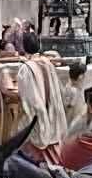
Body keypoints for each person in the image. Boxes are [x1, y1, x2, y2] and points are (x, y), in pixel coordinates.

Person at [14, 32, 69, 163]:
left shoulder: (26, 69)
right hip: (53, 121)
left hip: (38, 128)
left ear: (23, 47)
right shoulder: (48, 63)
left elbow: (30, 101)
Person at [63, 60, 89, 130]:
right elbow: (70, 112)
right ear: (80, 76)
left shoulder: (74, 87)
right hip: (73, 126)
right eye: (83, 74)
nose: (84, 77)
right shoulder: (73, 91)